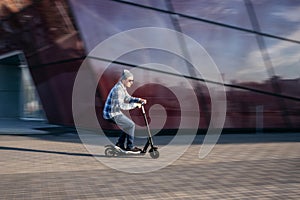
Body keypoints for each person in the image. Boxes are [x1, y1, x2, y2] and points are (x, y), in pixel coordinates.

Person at [103, 69, 146, 152]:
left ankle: (120, 144)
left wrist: (139, 100)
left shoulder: (122, 87)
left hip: (115, 112)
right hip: (111, 114)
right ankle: (130, 147)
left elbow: (127, 98)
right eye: (130, 80)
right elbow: (122, 106)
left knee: (128, 125)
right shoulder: (118, 89)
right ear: (123, 80)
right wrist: (136, 105)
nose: (132, 82)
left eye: (132, 80)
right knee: (131, 125)